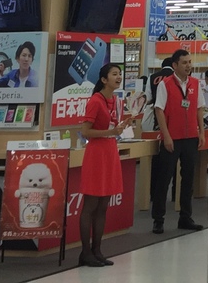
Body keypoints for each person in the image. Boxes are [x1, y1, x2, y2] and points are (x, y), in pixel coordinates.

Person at [78, 63, 136, 268]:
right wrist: (110, 132)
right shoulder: (95, 100)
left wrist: (121, 127)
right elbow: (85, 131)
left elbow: (112, 127)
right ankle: (85, 252)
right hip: (96, 154)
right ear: (104, 79)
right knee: (91, 205)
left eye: (119, 74)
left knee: (103, 205)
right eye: (114, 74)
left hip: (110, 151)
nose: (118, 77)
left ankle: (97, 250)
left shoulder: (116, 101)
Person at [152, 48, 208, 233]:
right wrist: (166, 135)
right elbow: (159, 110)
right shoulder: (165, 84)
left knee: (188, 179)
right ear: (175, 65)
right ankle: (158, 219)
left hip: (191, 137)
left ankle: (186, 217)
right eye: (184, 63)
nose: (188, 66)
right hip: (172, 138)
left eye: (190, 62)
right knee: (164, 178)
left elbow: (199, 108)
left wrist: (201, 132)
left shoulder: (195, 83)